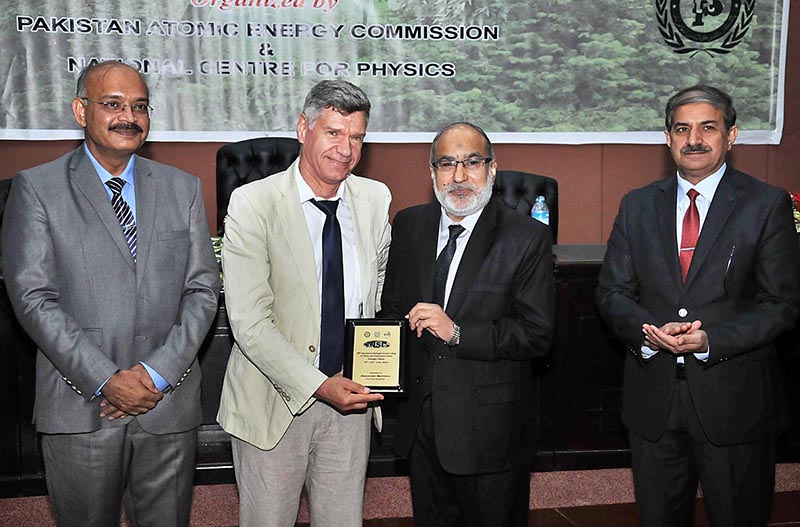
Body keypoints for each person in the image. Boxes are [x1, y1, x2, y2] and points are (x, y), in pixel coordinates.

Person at [1, 60, 221, 527]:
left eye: (140, 106)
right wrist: (108, 378)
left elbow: (202, 290)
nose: (129, 116)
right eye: (113, 104)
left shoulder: (182, 188)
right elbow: (33, 297)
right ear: (81, 111)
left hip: (167, 404)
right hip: (81, 405)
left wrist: (156, 375)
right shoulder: (38, 188)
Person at [596, 85, 800, 526]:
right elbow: (612, 293)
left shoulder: (765, 205)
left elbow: (781, 305)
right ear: (667, 138)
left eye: (709, 127)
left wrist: (711, 339)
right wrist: (649, 332)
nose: (694, 139)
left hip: (736, 403)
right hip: (654, 402)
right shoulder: (636, 206)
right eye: (682, 129)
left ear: (732, 135)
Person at [216, 80, 390, 527]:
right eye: (333, 132)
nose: (346, 149)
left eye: (356, 137)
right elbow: (250, 323)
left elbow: (378, 297)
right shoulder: (253, 203)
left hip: (350, 402)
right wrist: (317, 384)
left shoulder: (375, 200)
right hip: (272, 401)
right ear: (302, 128)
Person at [380, 122, 555, 526]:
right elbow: (392, 313)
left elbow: (536, 334)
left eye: (472, 162)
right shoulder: (409, 226)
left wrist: (457, 331)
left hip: (491, 433)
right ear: (432, 173)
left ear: (492, 169)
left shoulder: (526, 237)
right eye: (446, 164)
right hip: (421, 426)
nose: (459, 176)